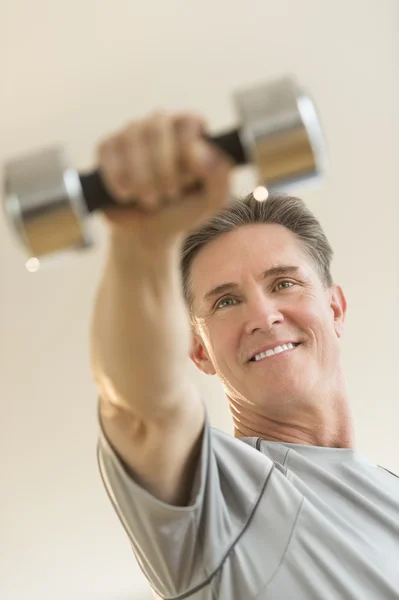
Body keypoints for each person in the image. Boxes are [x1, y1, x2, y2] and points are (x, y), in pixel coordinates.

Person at [91, 112, 399, 599]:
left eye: (283, 283)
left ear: (335, 308)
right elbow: (143, 405)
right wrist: (140, 244)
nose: (263, 315)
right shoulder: (220, 497)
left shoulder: (388, 493)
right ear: (199, 350)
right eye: (226, 301)